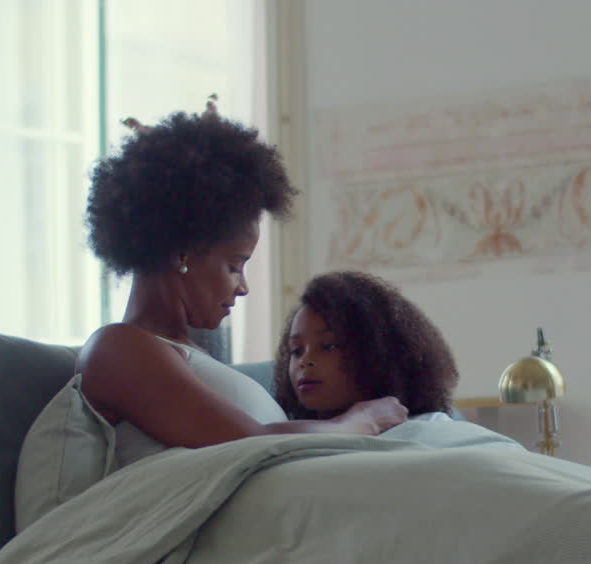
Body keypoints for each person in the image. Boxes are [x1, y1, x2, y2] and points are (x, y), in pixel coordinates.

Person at [78, 99, 408, 460]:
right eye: (235, 265)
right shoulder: (118, 349)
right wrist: (362, 420)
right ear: (182, 254)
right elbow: (251, 442)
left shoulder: (188, 355)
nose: (243, 287)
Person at [274, 271, 459, 421]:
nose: (305, 361)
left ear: (378, 352)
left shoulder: (428, 428)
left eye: (328, 346)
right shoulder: (284, 442)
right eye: (297, 351)